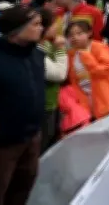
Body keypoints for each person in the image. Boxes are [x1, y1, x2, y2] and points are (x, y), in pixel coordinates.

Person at [0, 6, 45, 205]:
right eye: (35, 24)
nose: (41, 28)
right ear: (16, 29)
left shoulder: (37, 55)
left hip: (32, 137)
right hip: (1, 145)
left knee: (23, 187)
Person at [66, 21, 109, 120]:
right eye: (70, 35)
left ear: (89, 33)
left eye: (79, 33)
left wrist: (86, 57)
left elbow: (108, 69)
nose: (75, 37)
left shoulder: (99, 47)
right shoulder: (71, 54)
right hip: (84, 98)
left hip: (104, 97)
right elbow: (73, 80)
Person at [38, 9, 68, 152]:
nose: (57, 27)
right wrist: (61, 49)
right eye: (53, 24)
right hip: (45, 105)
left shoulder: (48, 44)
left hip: (53, 102)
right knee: (43, 144)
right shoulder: (38, 49)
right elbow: (59, 74)